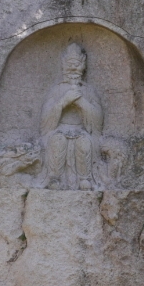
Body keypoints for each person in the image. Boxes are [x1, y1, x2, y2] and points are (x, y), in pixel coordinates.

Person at [40, 43, 103, 190]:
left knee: (84, 143)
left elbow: (98, 118)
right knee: (58, 141)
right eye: (69, 64)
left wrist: (81, 102)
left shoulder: (88, 90)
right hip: (60, 129)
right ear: (63, 65)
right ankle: (54, 177)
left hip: (81, 130)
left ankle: (85, 178)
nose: (73, 68)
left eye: (77, 64)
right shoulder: (56, 89)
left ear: (83, 65)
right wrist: (63, 102)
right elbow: (45, 118)